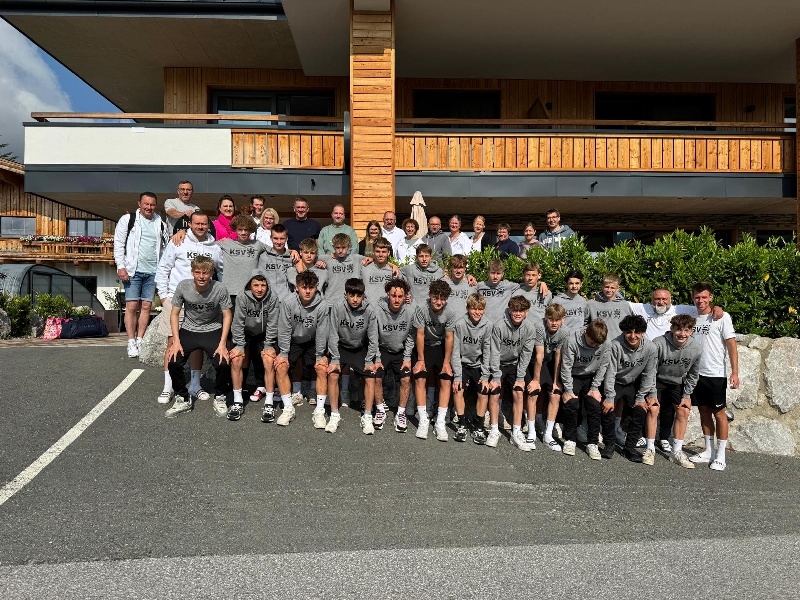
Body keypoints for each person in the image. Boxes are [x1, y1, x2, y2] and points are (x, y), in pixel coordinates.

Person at [155, 210, 223, 405]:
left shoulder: (214, 247)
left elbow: (221, 272)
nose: (200, 227)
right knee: (172, 343)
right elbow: (163, 268)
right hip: (177, 300)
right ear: (190, 225)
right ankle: (168, 387)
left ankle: (195, 384)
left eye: (204, 224)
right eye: (197, 223)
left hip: (203, 303)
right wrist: (164, 296)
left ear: (208, 226)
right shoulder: (179, 241)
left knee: (197, 343)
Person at [164, 256, 232, 419]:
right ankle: (182, 398)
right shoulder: (183, 286)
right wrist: (176, 341)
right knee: (173, 361)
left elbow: (227, 315)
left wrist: (223, 343)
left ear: (211, 273)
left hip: (212, 329)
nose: (201, 276)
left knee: (223, 363)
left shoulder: (220, 288)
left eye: (205, 273)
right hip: (189, 329)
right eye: (198, 272)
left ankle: (220, 396)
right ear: (192, 272)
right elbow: (174, 314)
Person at [689, 282, 739, 471]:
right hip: (697, 374)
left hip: (716, 374)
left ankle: (721, 455)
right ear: (693, 298)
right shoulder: (691, 316)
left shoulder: (722, 317)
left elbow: (731, 345)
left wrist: (735, 372)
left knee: (719, 413)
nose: (700, 300)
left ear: (711, 297)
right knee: (703, 411)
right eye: (697, 297)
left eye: (704, 297)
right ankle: (708, 451)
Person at [321, 278, 381, 434]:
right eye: (351, 295)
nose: (355, 299)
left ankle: (367, 416)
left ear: (363, 296)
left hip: (359, 348)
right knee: (333, 374)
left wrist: (369, 360)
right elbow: (333, 334)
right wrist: (334, 359)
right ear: (345, 295)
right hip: (341, 347)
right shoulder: (337, 307)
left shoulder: (369, 310)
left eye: (358, 296)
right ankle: (334, 414)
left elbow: (373, 338)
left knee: (370, 377)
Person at [113, 191, 168, 358]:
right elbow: (118, 243)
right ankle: (130, 341)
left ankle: (140, 339)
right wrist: (121, 266)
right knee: (131, 306)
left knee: (146, 306)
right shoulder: (128, 220)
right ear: (139, 204)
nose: (149, 207)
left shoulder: (160, 223)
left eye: (152, 204)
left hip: (153, 271)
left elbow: (165, 247)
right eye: (146, 204)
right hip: (133, 270)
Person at [273, 270, 329, 427]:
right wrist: (283, 353)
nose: (308, 291)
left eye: (311, 287)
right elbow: (284, 329)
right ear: (297, 287)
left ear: (316, 287)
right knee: (281, 366)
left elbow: (322, 332)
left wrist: (320, 355)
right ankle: (288, 409)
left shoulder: (322, 305)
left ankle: (319, 411)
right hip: (293, 339)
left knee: (321, 368)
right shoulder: (288, 302)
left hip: (312, 340)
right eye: (304, 287)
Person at [648, 314, 702, 468]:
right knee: (653, 408)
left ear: (691, 331)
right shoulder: (658, 343)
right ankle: (650, 449)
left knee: (683, 410)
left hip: (677, 381)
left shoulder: (696, 348)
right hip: (657, 379)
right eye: (678, 329)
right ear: (672, 328)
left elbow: (693, 374)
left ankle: (676, 451)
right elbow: (650, 370)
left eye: (686, 330)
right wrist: (652, 393)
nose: (682, 334)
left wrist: (687, 395)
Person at [226, 269, 280, 421]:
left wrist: (268, 344)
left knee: (269, 360)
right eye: (256, 285)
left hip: (264, 334)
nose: (260, 289)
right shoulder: (242, 297)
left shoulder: (273, 297)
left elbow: (273, 323)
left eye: (263, 285)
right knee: (236, 359)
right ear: (250, 285)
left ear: (267, 286)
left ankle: (269, 403)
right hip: (246, 333)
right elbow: (237, 322)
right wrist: (239, 345)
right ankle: (237, 401)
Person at [487, 295, 539, 451]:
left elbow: (526, 354)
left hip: (515, 364)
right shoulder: (499, 326)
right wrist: (496, 376)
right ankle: (494, 429)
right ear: (509, 310)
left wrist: (521, 377)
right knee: (495, 391)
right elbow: (494, 352)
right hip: (499, 363)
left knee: (518, 392)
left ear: (526, 312)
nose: (517, 313)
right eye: (515, 310)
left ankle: (516, 432)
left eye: (521, 311)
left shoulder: (530, 328)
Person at [603, 315, 658, 464]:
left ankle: (629, 448)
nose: (633, 336)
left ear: (643, 333)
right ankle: (609, 444)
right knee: (607, 408)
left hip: (633, 383)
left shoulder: (651, 348)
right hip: (615, 381)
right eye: (629, 332)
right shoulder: (615, 345)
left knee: (640, 410)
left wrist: (641, 397)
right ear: (623, 332)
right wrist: (609, 397)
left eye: (637, 332)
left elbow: (649, 374)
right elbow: (610, 373)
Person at [411, 279, 457, 440]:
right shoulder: (421, 308)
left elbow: (449, 337)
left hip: (441, 345)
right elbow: (420, 334)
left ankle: (440, 421)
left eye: (442, 298)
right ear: (430, 295)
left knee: (446, 379)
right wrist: (420, 360)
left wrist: (446, 363)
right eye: (435, 298)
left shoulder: (450, 312)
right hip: (424, 345)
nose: (438, 302)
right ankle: (423, 419)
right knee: (420, 377)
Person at [559, 320, 611, 459]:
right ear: (586, 334)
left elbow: (603, 366)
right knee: (571, 403)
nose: (594, 346)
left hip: (591, 377)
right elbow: (566, 367)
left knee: (594, 405)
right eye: (592, 342)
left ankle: (592, 443)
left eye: (597, 344)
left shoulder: (606, 344)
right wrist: (568, 390)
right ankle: (570, 439)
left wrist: (595, 387)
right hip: (574, 375)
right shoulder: (572, 341)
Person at [373, 278, 415, 433]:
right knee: (376, 376)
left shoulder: (410, 312)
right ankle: (380, 409)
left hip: (401, 352)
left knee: (406, 378)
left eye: (400, 296)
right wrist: (377, 358)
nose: (397, 300)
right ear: (388, 295)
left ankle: (401, 413)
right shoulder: (378, 310)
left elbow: (411, 337)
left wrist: (407, 358)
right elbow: (373, 337)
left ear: (405, 297)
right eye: (393, 296)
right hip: (383, 350)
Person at [450, 293, 492, 444]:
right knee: (458, 388)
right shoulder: (460, 324)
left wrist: (485, 375)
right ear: (468, 308)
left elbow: (487, 351)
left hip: (478, 365)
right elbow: (455, 351)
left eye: (480, 309)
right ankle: (462, 425)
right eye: (474, 308)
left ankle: (479, 427)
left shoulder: (488, 325)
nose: (477, 312)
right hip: (463, 364)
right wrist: (457, 375)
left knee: (484, 390)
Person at [530, 303, 570, 451]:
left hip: (550, 362)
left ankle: (548, 435)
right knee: (534, 391)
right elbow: (539, 355)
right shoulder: (539, 327)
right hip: (534, 361)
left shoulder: (565, 332)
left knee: (555, 394)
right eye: (551, 319)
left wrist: (556, 381)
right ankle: (531, 431)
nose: (554, 323)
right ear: (546, 317)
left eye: (557, 320)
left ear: (563, 320)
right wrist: (536, 380)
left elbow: (558, 356)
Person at [587, 273, 633, 341]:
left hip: (619, 343)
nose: (609, 290)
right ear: (602, 287)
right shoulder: (591, 304)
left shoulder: (625, 305)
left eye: (612, 288)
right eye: (607, 287)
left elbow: (630, 325)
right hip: (598, 342)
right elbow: (585, 323)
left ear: (617, 288)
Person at [476, 259, 520, 325]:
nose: (495, 277)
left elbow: (525, 285)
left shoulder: (508, 286)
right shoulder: (480, 286)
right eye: (492, 273)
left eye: (498, 273)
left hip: (502, 326)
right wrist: (468, 276)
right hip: (484, 325)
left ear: (502, 274)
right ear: (488, 273)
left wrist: (539, 283)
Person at [258, 223, 294, 302]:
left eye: (282, 238)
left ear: (286, 238)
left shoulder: (292, 257)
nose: (279, 242)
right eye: (275, 238)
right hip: (268, 301)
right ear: (271, 238)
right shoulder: (263, 257)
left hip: (287, 301)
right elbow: (260, 279)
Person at [361, 237, 396, 304]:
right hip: (368, 308)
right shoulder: (364, 268)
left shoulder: (394, 271)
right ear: (373, 251)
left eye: (384, 252)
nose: (380, 255)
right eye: (377, 251)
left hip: (387, 308)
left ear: (388, 253)